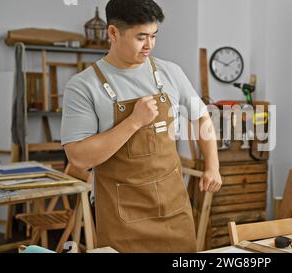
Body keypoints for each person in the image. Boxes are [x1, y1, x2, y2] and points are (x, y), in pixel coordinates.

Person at [61, 0, 222, 253]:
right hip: (121, 219)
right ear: (113, 33)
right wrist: (134, 122)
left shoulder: (171, 73)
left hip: (174, 211)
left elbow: (202, 117)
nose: (150, 45)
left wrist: (213, 166)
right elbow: (78, 157)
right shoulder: (83, 86)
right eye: (141, 37)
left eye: (154, 36)